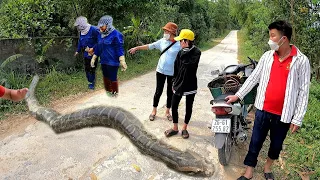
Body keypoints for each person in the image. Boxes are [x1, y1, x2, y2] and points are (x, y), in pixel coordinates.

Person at [226, 20, 310, 180]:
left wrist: (298, 118)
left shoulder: (301, 61)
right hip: (263, 110)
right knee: (255, 141)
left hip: (284, 114)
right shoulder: (267, 57)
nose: (270, 39)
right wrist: (238, 95)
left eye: (273, 36)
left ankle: (267, 167)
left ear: (283, 39)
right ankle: (249, 170)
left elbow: (303, 91)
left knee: (276, 145)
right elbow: (253, 78)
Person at [128, 22, 180, 121]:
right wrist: (137, 48)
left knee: (170, 93)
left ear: (172, 32)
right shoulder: (162, 41)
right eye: (164, 31)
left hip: (172, 73)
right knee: (158, 91)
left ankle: (167, 111)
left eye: (166, 31)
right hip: (160, 71)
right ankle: (154, 110)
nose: (164, 32)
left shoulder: (178, 44)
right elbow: (150, 46)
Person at [164, 29, 201, 139]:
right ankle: (175, 127)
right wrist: (173, 81)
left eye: (181, 41)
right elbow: (176, 67)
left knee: (189, 107)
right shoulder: (180, 52)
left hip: (190, 84)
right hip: (179, 83)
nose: (179, 43)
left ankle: (184, 128)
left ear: (186, 41)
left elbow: (189, 64)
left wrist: (185, 50)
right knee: (174, 105)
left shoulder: (197, 52)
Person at [91, 15, 127, 97]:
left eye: (102, 26)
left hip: (112, 61)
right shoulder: (100, 35)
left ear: (108, 25)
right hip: (104, 61)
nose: (101, 28)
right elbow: (98, 47)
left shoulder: (116, 34)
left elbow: (119, 48)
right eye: (100, 26)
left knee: (112, 77)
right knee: (105, 76)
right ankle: (108, 91)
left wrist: (122, 60)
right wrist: (94, 57)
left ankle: (114, 93)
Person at [74, 16, 100, 90]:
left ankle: (91, 84)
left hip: (94, 53)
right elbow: (80, 41)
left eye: (78, 25)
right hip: (86, 54)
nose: (78, 27)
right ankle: (90, 81)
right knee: (87, 69)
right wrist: (77, 51)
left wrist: (93, 48)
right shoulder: (81, 32)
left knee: (92, 68)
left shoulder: (94, 29)